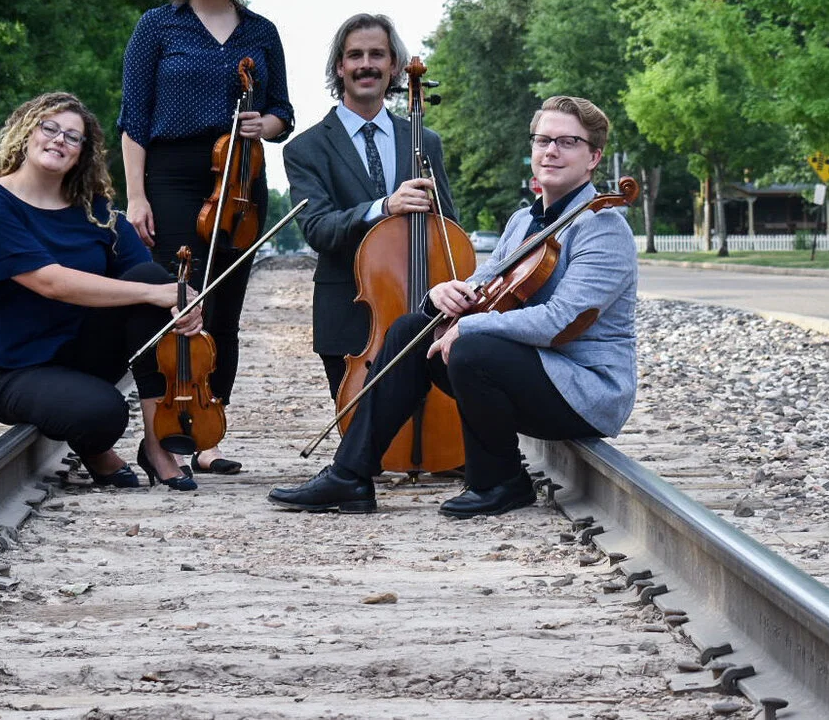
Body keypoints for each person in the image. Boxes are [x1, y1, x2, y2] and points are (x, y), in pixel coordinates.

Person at [269, 95, 637, 519]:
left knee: (472, 346)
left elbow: (560, 322)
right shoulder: (524, 221)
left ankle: (500, 481)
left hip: (585, 390)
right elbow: (483, 285)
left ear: (593, 157)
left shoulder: (602, 228)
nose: (551, 151)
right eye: (542, 140)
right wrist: (440, 296)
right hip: (534, 374)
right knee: (412, 329)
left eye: (567, 142)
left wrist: (471, 327)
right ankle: (350, 475)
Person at [118, 0, 294, 476]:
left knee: (223, 309)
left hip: (240, 180)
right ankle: (164, 435)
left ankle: (209, 435)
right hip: (171, 176)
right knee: (176, 301)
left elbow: (284, 112)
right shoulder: (157, 27)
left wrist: (265, 124)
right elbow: (133, 120)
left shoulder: (261, 31)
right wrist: (136, 197)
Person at [0, 91, 203, 491]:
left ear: (82, 153)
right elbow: (48, 281)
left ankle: (158, 445)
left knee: (155, 280)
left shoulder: (95, 211)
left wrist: (182, 301)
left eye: (73, 137)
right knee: (103, 415)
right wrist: (150, 294)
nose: (59, 140)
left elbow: (150, 281)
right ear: (26, 133)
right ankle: (96, 449)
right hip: (12, 368)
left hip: (82, 355)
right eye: (49, 128)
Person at [282, 13, 458, 398]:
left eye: (377, 54)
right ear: (339, 67)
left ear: (393, 65)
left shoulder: (424, 141)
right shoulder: (306, 148)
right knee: (361, 429)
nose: (366, 65)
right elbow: (318, 229)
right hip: (349, 314)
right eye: (355, 55)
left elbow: (449, 230)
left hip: (424, 309)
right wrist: (384, 207)